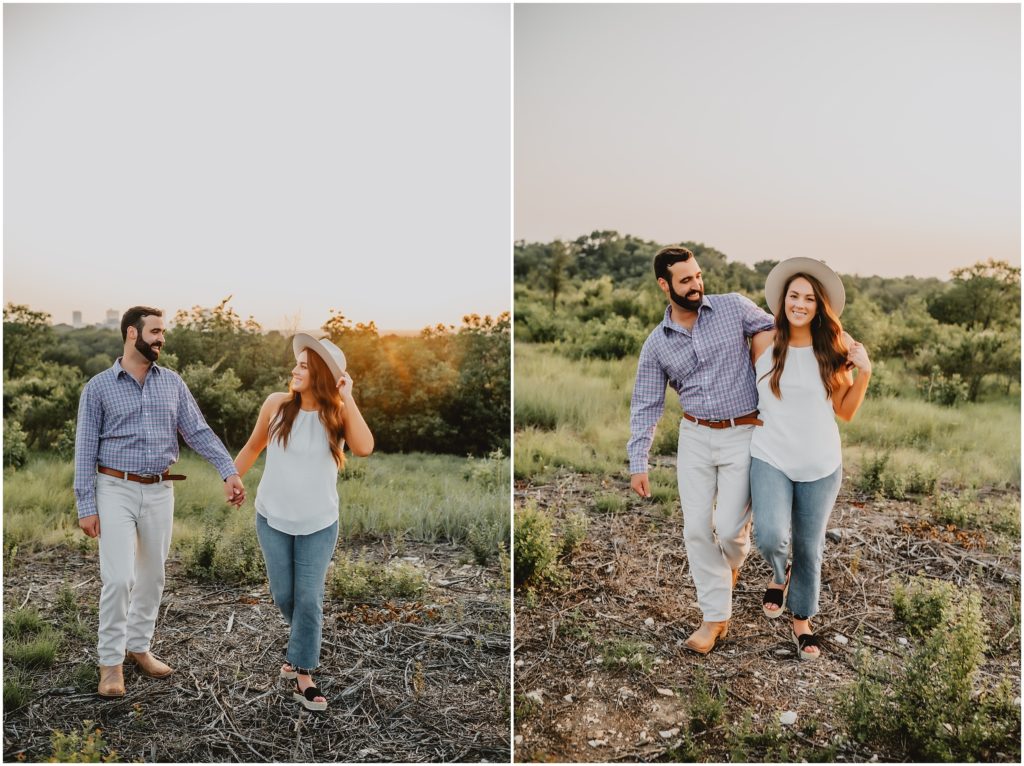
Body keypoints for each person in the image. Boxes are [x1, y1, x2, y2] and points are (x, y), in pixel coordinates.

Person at [74, 306, 246, 698]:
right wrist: (86, 505)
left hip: (159, 490)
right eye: (155, 331)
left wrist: (229, 471)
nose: (161, 339)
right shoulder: (98, 387)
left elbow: (198, 431)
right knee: (120, 578)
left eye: (162, 332)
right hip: (114, 488)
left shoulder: (172, 383)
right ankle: (110, 663)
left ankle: (139, 647)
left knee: (153, 576)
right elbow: (84, 449)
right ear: (132, 334)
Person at [628, 245, 775, 654]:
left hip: (743, 432)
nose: (696, 285)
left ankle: (728, 569)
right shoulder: (657, 344)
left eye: (697, 276)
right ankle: (714, 618)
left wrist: (835, 343)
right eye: (685, 280)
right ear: (665, 285)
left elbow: (782, 329)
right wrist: (639, 461)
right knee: (695, 528)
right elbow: (645, 404)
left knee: (729, 530)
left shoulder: (733, 308)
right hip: (694, 435)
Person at [233, 333, 373, 711]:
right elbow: (253, 446)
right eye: (297, 364)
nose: (294, 370)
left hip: (318, 524)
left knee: (309, 599)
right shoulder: (276, 405)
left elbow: (364, 447)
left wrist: (349, 396)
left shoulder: (337, 413)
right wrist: (233, 478)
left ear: (323, 376)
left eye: (304, 366)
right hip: (273, 519)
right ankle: (299, 647)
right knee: (285, 596)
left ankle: (303, 674)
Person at [749, 258, 871, 660]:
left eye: (808, 299)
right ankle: (778, 573)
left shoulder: (834, 346)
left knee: (809, 546)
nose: (799, 304)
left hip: (820, 464)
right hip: (770, 454)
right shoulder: (762, 342)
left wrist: (865, 373)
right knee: (769, 535)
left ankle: (802, 620)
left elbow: (846, 411)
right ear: (782, 300)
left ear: (819, 306)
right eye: (793, 296)